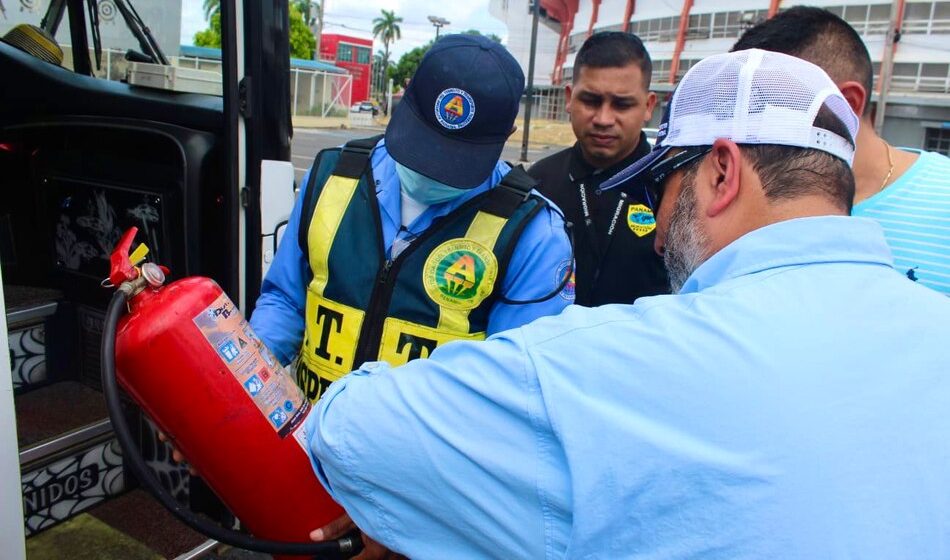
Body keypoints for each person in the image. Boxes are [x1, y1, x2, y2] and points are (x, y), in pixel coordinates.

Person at [305, 50, 950, 559]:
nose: (658, 225)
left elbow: (353, 431)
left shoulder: (609, 363)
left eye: (661, 189)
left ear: (721, 173)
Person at [249, 33, 573, 405]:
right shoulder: (334, 175)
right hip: (307, 440)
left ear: (507, 136)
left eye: (453, 162)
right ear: (404, 98)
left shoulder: (532, 234)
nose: (429, 172)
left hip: (423, 462)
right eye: (421, 146)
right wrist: (246, 391)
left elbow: (512, 388)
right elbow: (286, 301)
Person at [733, 5, 950, 295]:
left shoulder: (942, 200)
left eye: (771, 102)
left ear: (846, 104)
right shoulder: (751, 199)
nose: (750, 123)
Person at [528, 31, 668, 304]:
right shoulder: (537, 182)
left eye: (622, 104)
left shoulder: (673, 189)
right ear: (569, 98)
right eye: (591, 101)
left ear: (649, 106)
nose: (603, 119)